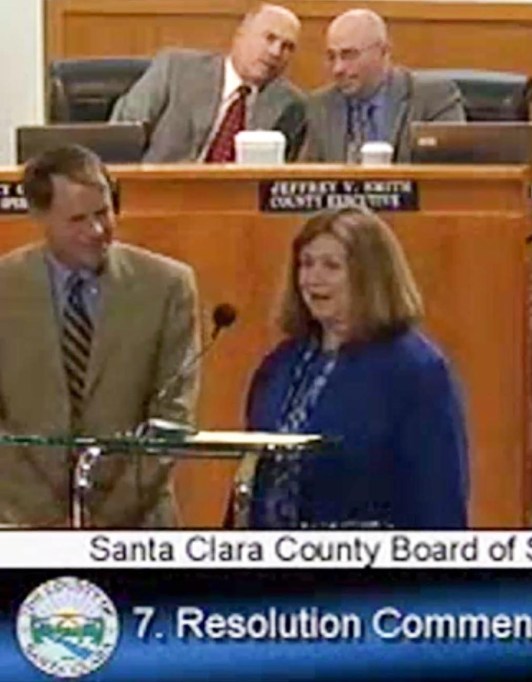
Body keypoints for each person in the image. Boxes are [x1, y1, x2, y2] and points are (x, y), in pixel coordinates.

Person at [0, 145, 200, 527]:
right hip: (21, 524)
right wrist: (48, 518)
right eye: (77, 219)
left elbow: (173, 416)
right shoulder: (5, 288)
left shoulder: (167, 286)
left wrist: (104, 520)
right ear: (39, 215)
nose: (96, 231)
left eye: (103, 213)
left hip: (138, 528)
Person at [240, 206, 469, 529]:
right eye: (306, 264)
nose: (313, 278)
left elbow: (438, 497)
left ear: (371, 276)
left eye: (332, 266)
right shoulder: (283, 362)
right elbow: (254, 473)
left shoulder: (416, 370)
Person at [110, 3, 306, 163]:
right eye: (269, 38)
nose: (275, 52)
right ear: (240, 35)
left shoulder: (290, 105)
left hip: (235, 204)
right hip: (157, 196)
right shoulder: (176, 70)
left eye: (287, 47)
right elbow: (121, 134)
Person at [301, 8, 466, 163]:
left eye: (349, 55)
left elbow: (453, 170)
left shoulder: (432, 97)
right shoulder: (321, 105)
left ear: (384, 52)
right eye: (331, 57)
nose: (338, 69)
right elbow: (304, 179)